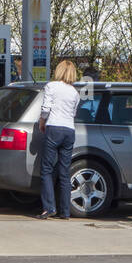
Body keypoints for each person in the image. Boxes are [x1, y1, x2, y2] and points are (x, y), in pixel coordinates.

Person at [37, 60, 80, 220]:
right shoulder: (75, 92)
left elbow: (46, 109)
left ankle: (48, 208)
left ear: (59, 71)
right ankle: (65, 211)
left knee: (46, 169)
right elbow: (74, 113)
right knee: (64, 171)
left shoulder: (52, 86)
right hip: (69, 130)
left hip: (54, 128)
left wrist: (42, 122)